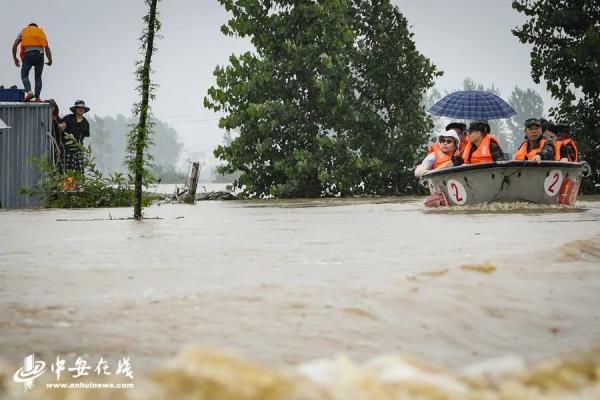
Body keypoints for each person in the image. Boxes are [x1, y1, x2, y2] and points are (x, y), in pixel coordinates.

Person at [11, 23, 53, 102]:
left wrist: (15, 58)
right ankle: (37, 97)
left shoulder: (23, 31)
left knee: (24, 75)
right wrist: (50, 60)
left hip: (28, 54)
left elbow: (14, 45)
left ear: (29, 26)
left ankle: (29, 92)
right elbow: (47, 48)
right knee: (38, 77)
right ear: (36, 27)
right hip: (40, 55)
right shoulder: (41, 32)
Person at [61, 100, 91, 174]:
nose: (81, 109)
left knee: (79, 170)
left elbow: (86, 135)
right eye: (79, 108)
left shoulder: (85, 123)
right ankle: (66, 185)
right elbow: (62, 127)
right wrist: (61, 126)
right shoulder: (68, 118)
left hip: (79, 148)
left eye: (82, 108)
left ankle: (78, 185)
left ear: (84, 110)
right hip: (67, 148)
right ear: (75, 109)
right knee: (66, 169)